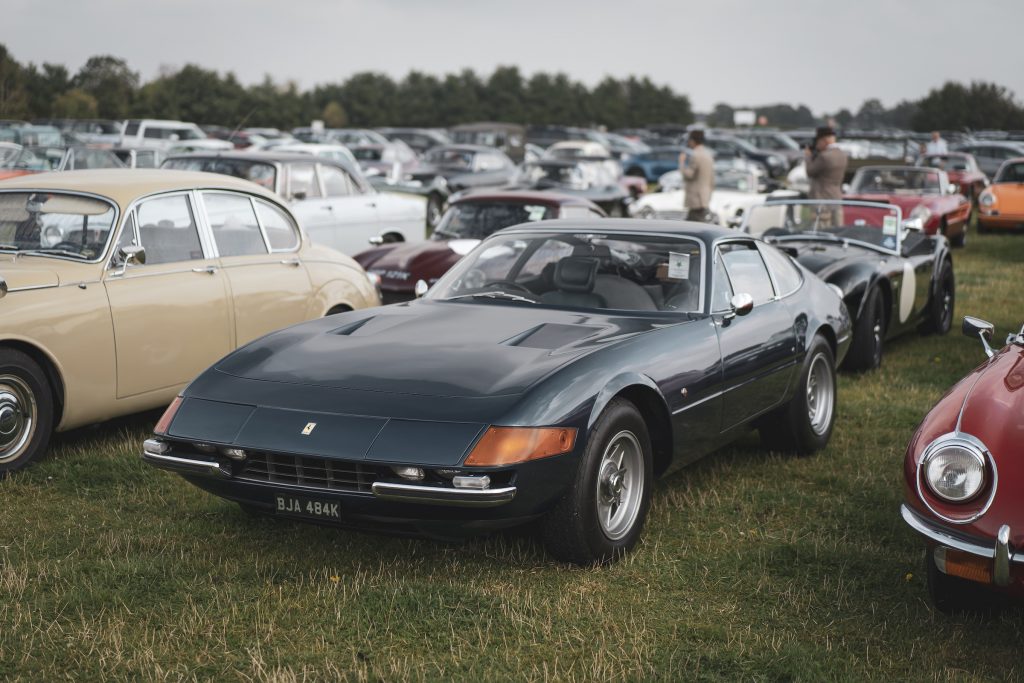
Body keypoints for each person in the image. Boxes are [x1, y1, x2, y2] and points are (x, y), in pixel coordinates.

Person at [679, 129, 714, 222]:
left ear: (693, 141)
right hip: (704, 197)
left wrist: (681, 163)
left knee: (694, 225)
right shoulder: (708, 155)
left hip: (695, 198)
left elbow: (689, 175)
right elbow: (712, 179)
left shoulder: (696, 155)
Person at [805, 126, 847, 200]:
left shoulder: (824, 156)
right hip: (836, 198)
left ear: (824, 140)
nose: (817, 145)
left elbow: (810, 172)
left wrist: (808, 157)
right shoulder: (842, 154)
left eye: (818, 141)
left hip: (822, 200)